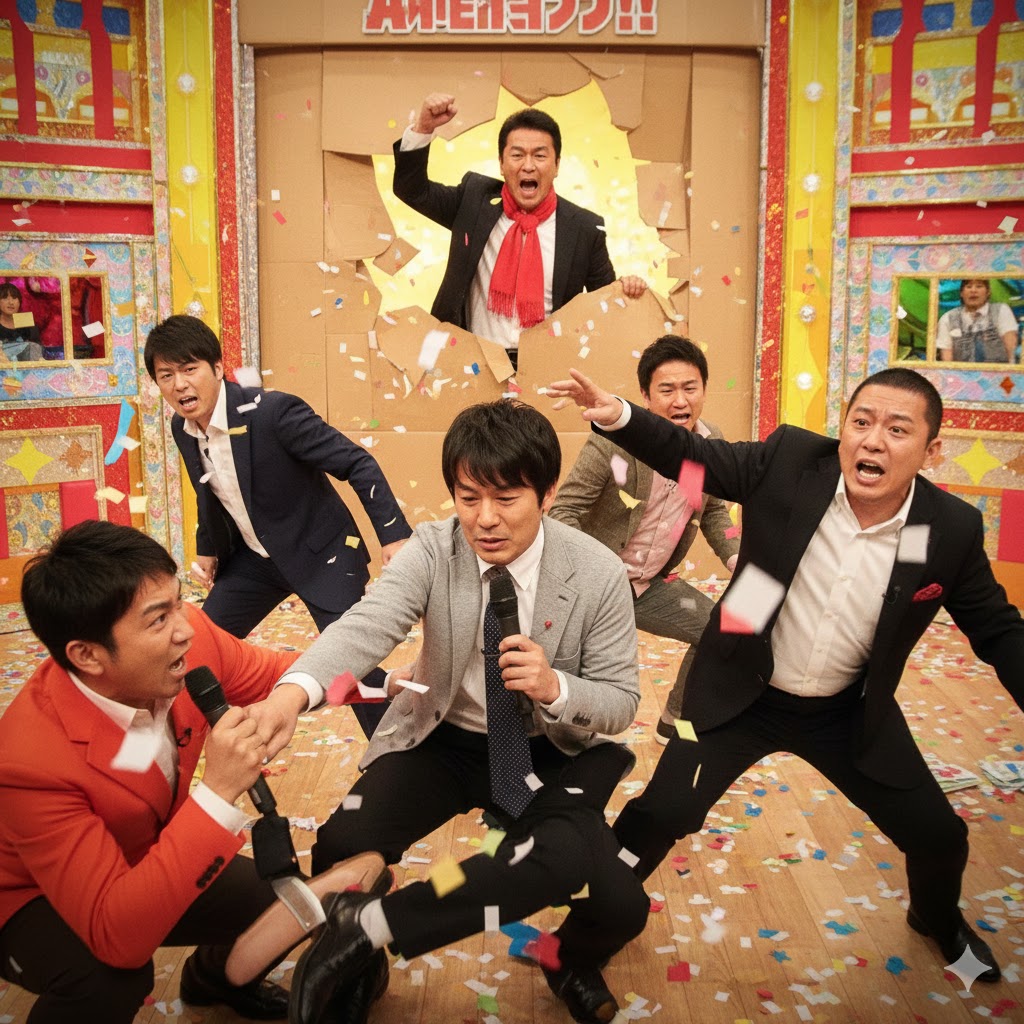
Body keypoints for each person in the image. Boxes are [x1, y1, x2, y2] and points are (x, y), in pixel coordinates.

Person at [547, 365, 1024, 982]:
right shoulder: (792, 462)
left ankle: (936, 918)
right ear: (843, 429)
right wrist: (616, 412)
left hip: (847, 712)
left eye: (897, 430)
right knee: (660, 815)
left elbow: (998, 629)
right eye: (861, 422)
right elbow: (694, 456)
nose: (873, 441)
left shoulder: (949, 528)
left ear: (931, 450)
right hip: (740, 694)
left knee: (940, 837)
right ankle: (576, 948)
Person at [281, 400, 648, 1024]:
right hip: (443, 738)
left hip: (545, 749)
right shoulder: (433, 548)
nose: (485, 519)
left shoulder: (597, 572)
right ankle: (359, 966)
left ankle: (565, 959)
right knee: (344, 843)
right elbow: (369, 624)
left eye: (506, 498)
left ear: (547, 494)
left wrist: (556, 686)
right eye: (468, 497)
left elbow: (620, 702)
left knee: (620, 907)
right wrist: (294, 692)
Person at [0, 520, 313, 1023]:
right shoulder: (28, 762)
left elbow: (285, 673)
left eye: (179, 601)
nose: (185, 628)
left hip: (142, 850)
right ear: (87, 654)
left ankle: (212, 980)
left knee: (286, 899)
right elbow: (119, 939)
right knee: (109, 976)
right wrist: (217, 792)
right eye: (158, 618)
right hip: (24, 896)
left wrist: (390, 682)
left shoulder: (190, 643)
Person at [144, 314, 412, 738]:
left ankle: (395, 754)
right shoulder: (183, 426)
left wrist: (394, 535)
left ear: (218, 368)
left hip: (321, 554)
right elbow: (208, 489)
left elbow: (357, 463)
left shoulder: (273, 413)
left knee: (348, 660)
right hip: (255, 562)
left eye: (190, 369)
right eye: (166, 375)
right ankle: (205, 742)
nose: (179, 385)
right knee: (196, 646)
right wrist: (207, 547)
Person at [549, 336, 738, 744]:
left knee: (720, 631)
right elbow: (563, 512)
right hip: (594, 585)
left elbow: (713, 511)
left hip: (648, 585)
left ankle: (674, 719)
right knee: (577, 683)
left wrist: (735, 555)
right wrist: (598, 573)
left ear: (704, 390)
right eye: (666, 390)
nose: (680, 401)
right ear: (646, 397)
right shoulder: (615, 441)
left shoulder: (709, 445)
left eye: (690, 388)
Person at [393, 92, 647, 368]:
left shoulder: (584, 228)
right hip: (475, 366)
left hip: (547, 370)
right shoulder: (473, 201)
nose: (528, 165)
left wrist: (626, 290)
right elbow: (412, 190)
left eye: (540, 155)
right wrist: (424, 128)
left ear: (557, 165)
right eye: (517, 155)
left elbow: (604, 306)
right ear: (502, 164)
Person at [936, 278, 1018, 363]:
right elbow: (947, 356)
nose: (973, 291)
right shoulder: (948, 318)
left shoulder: (1001, 310)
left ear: (988, 292)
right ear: (961, 293)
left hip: (998, 370)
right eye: (968, 287)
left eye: (979, 286)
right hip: (961, 371)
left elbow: (1011, 346)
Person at [0, 282, 43, 362]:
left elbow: (36, 347)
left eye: (14, 298)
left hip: (27, 367)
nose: (11, 302)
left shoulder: (24, 320)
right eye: (5, 298)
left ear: (19, 302)